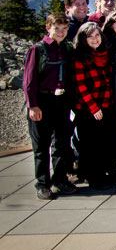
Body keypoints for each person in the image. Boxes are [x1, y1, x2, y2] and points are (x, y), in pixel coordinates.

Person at [23, 13, 76, 199]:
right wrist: (33, 105)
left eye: (64, 29)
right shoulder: (37, 50)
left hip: (62, 101)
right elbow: (29, 81)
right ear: (48, 28)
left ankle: (60, 179)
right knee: (41, 145)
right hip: (42, 102)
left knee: (61, 143)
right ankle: (43, 183)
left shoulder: (68, 48)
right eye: (57, 29)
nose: (61, 32)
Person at [72, 22, 116, 190]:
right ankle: (94, 177)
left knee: (103, 142)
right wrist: (94, 108)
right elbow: (80, 85)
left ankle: (104, 172)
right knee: (90, 145)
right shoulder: (79, 58)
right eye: (90, 36)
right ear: (83, 39)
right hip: (88, 108)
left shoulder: (104, 54)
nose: (95, 39)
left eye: (97, 35)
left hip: (106, 104)